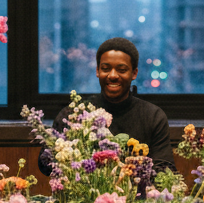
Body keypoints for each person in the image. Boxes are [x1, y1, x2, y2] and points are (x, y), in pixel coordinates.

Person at [36, 37, 175, 175]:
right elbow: (45, 165)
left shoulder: (152, 116)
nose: (113, 75)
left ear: (134, 73)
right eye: (105, 68)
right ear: (97, 71)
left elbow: (165, 168)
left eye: (121, 70)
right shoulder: (75, 114)